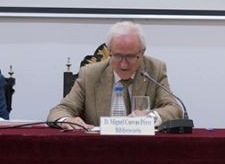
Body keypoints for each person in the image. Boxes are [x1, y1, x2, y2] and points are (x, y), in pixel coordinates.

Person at [48, 21, 182, 130]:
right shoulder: (90, 74)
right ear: (109, 51)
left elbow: (174, 109)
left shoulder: (155, 70)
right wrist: (66, 120)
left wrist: (150, 116)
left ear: (142, 53)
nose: (123, 65)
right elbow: (59, 110)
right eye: (117, 56)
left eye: (130, 56)